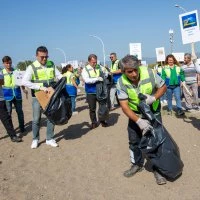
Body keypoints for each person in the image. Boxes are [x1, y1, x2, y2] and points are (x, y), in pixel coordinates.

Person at [116, 55, 167, 185]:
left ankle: (158, 168)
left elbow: (163, 87)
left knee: (157, 141)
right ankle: (136, 164)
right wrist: (138, 121)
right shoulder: (121, 83)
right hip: (135, 114)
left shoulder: (149, 72)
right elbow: (124, 106)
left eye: (135, 70)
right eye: (129, 71)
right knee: (134, 141)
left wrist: (153, 98)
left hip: (153, 112)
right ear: (123, 71)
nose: (134, 74)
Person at [22, 46, 63, 149]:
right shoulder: (31, 67)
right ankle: (35, 139)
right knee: (36, 119)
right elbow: (24, 82)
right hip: (38, 96)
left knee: (51, 117)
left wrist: (62, 79)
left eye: (46, 56)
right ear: (36, 56)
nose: (44, 59)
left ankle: (49, 138)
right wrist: (40, 87)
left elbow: (59, 76)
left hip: (50, 96)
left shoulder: (51, 64)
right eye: (42, 57)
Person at [1, 56, 27, 133]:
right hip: (7, 96)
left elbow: (20, 81)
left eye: (10, 63)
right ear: (3, 64)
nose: (9, 64)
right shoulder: (1, 73)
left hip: (17, 95)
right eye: (7, 63)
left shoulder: (16, 71)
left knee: (20, 112)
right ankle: (11, 129)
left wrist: (23, 89)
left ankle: (22, 127)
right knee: (8, 113)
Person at [81, 54, 108, 129]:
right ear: (89, 61)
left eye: (95, 62)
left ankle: (102, 121)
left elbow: (106, 72)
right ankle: (94, 122)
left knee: (102, 107)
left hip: (100, 91)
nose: (95, 64)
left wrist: (105, 75)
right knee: (92, 108)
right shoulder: (85, 69)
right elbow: (86, 80)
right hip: (91, 92)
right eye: (93, 62)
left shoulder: (99, 67)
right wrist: (97, 79)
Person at [0, 71, 22, 142]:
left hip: (1, 100)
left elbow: (1, 82)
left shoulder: (0, 73)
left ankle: (13, 136)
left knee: (6, 119)